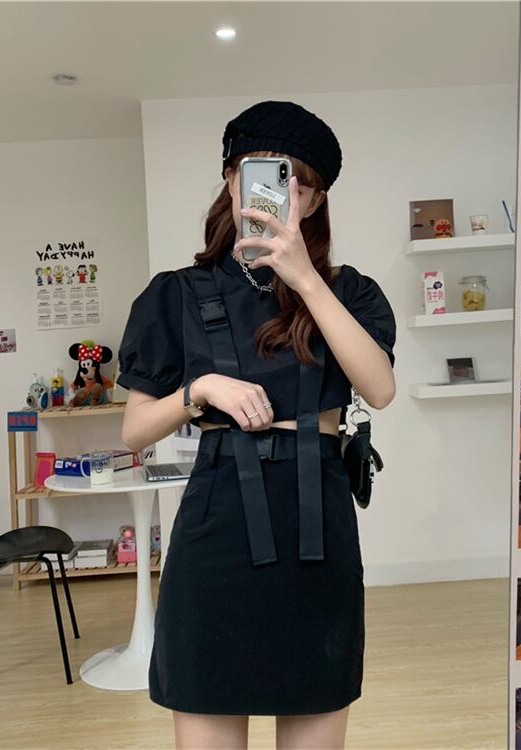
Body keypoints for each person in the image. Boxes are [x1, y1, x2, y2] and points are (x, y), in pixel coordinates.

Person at [117, 100, 396, 749]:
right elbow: (134, 432)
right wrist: (200, 390)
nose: (280, 191)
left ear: (316, 199)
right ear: (230, 179)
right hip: (215, 539)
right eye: (264, 171)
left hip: (316, 536)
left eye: (298, 181)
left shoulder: (348, 292)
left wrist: (304, 278)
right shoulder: (177, 293)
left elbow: (379, 389)